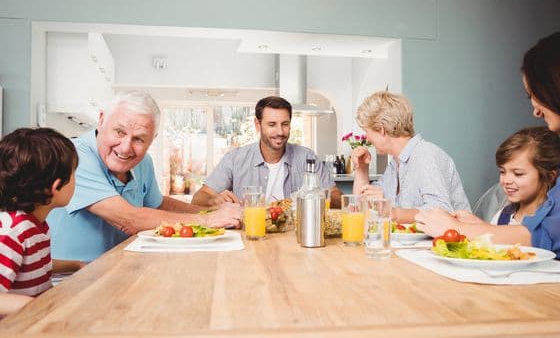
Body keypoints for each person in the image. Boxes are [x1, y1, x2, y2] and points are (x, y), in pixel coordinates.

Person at [416, 31, 560, 270]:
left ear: (559, 86)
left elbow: (551, 238)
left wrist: (457, 230)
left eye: (533, 95)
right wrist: (483, 229)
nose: (535, 110)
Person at [48, 90, 241, 262]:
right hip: (71, 278)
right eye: (119, 132)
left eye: (139, 139)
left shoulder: (143, 162)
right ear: (101, 119)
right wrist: (209, 220)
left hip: (120, 268)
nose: (125, 148)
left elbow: (157, 204)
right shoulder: (75, 157)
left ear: (152, 139)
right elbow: (128, 219)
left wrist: (208, 212)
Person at [192, 96, 341, 208]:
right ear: (257, 124)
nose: (280, 132)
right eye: (272, 125)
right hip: (249, 236)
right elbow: (199, 198)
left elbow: (335, 195)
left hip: (295, 237)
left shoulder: (307, 157)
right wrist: (214, 200)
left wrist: (317, 197)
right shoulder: (235, 159)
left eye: (285, 124)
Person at [351, 91, 471, 223]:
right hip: (415, 243)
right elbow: (362, 207)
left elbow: (443, 211)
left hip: (452, 242)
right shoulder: (394, 165)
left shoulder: (424, 155)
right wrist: (361, 168)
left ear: (381, 129)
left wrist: (393, 212)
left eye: (367, 132)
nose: (367, 139)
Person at [0, 128, 82, 316]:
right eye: (73, 174)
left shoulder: (35, 225)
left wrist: (75, 265)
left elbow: (35, 264)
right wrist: (37, 305)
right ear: (55, 187)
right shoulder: (12, 232)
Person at [491, 127, 560, 225]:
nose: (506, 181)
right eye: (502, 172)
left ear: (549, 176)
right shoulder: (501, 217)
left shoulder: (556, 223)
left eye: (518, 174)